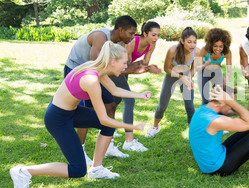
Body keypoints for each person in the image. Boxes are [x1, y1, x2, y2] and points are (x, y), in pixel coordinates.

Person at [10, 42, 152, 188]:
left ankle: (96, 169)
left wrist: (139, 95)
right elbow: (103, 118)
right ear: (113, 62)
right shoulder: (91, 80)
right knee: (77, 169)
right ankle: (22, 172)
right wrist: (132, 127)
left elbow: (114, 89)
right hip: (58, 119)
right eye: (124, 63)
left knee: (109, 127)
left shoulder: (97, 68)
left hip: (72, 112)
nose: (125, 67)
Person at [64, 15, 142, 160]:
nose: (133, 37)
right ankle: (80, 150)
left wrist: (133, 67)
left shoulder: (117, 43)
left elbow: (107, 70)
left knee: (110, 105)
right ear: (120, 29)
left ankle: (108, 146)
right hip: (77, 71)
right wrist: (130, 69)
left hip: (93, 73)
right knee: (87, 111)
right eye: (130, 33)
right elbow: (97, 65)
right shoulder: (101, 37)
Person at [111, 21, 162, 152]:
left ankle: (108, 128)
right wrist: (145, 68)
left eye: (158, 35)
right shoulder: (133, 42)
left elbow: (143, 63)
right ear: (145, 33)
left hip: (124, 68)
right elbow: (126, 66)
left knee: (116, 99)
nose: (156, 38)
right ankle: (129, 141)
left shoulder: (151, 45)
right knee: (129, 100)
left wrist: (150, 68)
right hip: (115, 68)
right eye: (153, 35)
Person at [145, 27, 200, 138]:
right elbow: (166, 69)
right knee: (162, 105)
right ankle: (155, 127)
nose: (192, 45)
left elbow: (194, 68)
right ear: (182, 41)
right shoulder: (172, 50)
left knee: (190, 106)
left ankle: (192, 133)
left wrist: (189, 77)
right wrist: (180, 77)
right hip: (172, 74)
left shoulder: (197, 51)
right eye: (189, 42)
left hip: (185, 74)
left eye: (194, 42)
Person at [197, 28, 233, 105]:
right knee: (205, 99)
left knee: (218, 98)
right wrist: (204, 64)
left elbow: (229, 70)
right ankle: (205, 115)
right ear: (210, 44)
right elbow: (196, 68)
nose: (218, 49)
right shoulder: (204, 50)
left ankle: (216, 116)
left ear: (225, 45)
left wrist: (227, 76)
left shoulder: (227, 53)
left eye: (221, 46)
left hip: (217, 73)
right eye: (215, 46)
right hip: (203, 72)